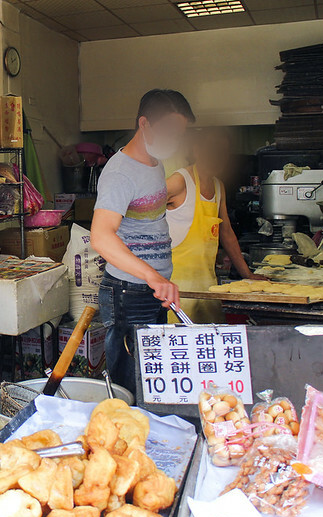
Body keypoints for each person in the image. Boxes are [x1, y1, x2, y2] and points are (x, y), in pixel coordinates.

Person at [90, 89, 194, 397]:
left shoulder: (155, 164)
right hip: (128, 294)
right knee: (127, 388)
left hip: (151, 290)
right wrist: (152, 275)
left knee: (151, 384)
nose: (174, 139)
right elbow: (101, 235)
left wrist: (158, 279)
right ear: (145, 124)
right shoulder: (120, 173)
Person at [166, 128, 266, 324]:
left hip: (207, 288)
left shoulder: (218, 186)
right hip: (176, 290)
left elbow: (226, 233)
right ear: (197, 150)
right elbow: (143, 211)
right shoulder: (180, 181)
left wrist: (247, 274)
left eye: (223, 152)